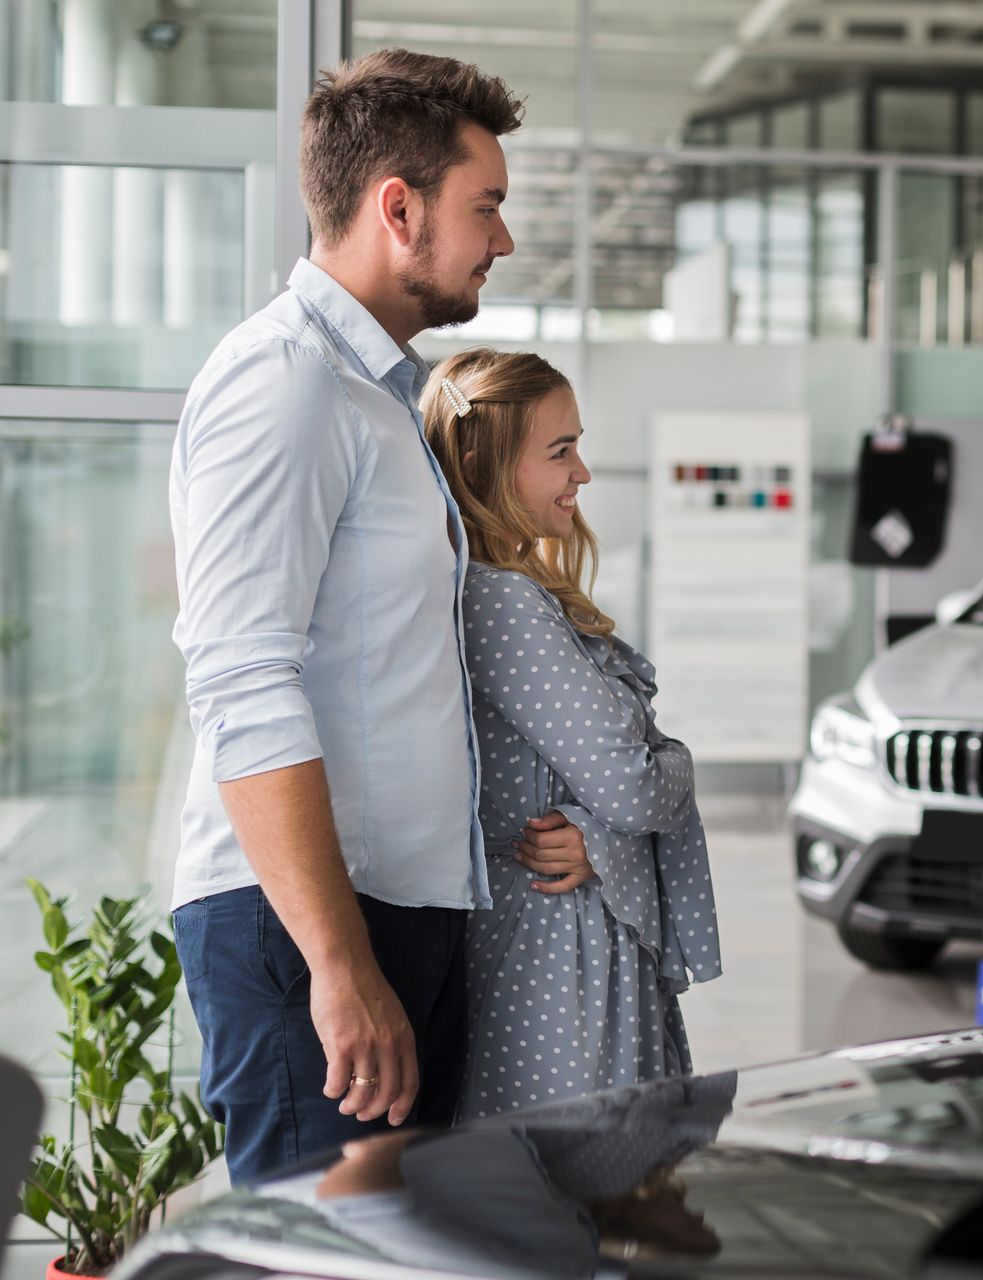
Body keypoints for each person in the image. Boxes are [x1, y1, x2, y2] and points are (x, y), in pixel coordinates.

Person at [168, 49, 523, 1183]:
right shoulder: (283, 381)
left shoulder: (377, 396)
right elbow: (240, 681)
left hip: (395, 912)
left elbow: (400, 674)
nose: (502, 242)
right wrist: (339, 958)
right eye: (489, 207)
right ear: (398, 207)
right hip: (312, 923)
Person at [420, 348, 721, 1120]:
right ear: (486, 464)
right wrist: (678, 761)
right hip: (558, 961)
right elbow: (637, 784)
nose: (581, 474)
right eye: (560, 452)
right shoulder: (505, 605)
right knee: (581, 1194)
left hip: (557, 945)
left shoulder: (501, 593)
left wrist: (600, 838)